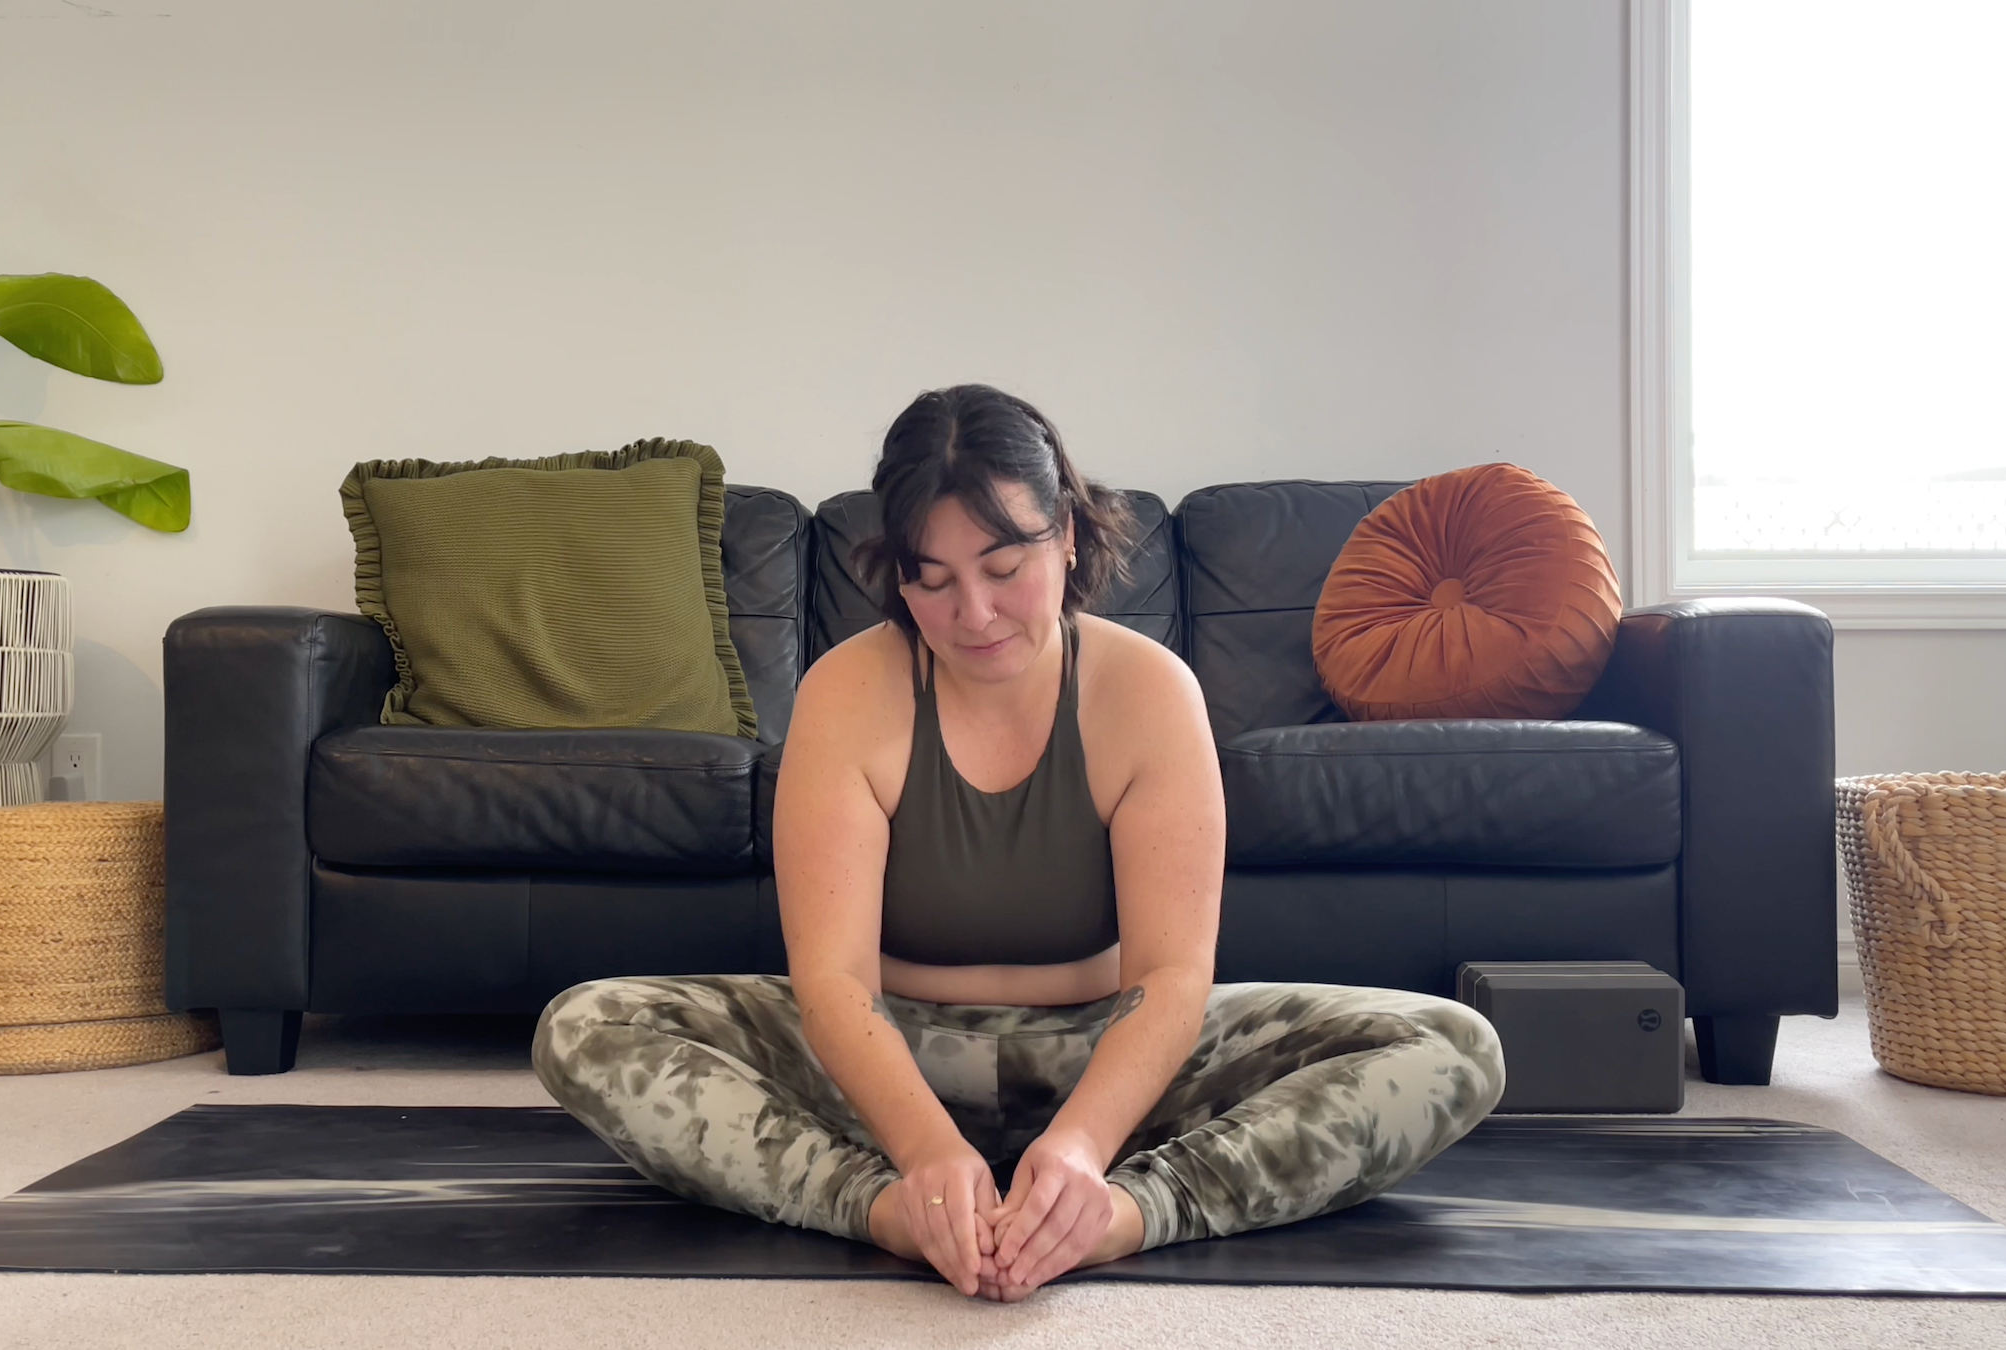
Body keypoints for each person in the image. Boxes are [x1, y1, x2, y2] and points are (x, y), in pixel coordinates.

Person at [535, 384, 1504, 1300]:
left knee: (1451, 1045)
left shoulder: (1153, 691)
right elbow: (830, 983)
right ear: (898, 578)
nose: (976, 615)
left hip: (1110, 1056)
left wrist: (1085, 1153)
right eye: (935, 581)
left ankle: (1120, 1215)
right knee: (584, 1028)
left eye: (1004, 569)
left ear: (1069, 536)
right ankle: (886, 1213)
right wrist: (919, 1160)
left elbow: (1173, 977)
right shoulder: (844, 691)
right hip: (882, 1058)